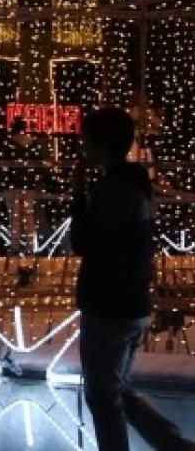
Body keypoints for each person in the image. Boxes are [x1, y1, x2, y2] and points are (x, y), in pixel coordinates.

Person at [72, 108, 195, 451]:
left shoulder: (116, 190)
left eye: (87, 139)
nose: (82, 147)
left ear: (102, 144)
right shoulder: (135, 184)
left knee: (102, 398)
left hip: (109, 307)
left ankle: (174, 445)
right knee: (118, 390)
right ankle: (175, 444)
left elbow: (84, 241)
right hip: (130, 304)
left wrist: (78, 194)